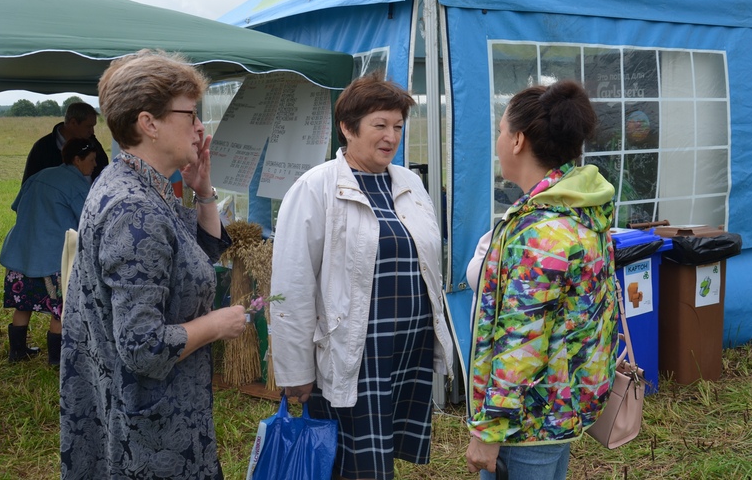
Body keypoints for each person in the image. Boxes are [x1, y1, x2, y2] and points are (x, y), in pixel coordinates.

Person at [59, 49, 247, 479]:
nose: (200, 127)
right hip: (151, 432)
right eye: (190, 114)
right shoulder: (133, 209)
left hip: (147, 412)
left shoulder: (137, 185)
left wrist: (203, 192)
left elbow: (191, 262)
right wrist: (216, 324)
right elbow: (143, 347)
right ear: (149, 123)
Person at [270, 72, 454, 480]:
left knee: (380, 455)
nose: (391, 137)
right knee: (354, 463)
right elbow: (293, 283)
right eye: (380, 125)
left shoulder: (409, 183)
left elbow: (428, 263)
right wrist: (295, 371)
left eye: (398, 127)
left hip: (405, 350)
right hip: (355, 351)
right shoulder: (315, 187)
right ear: (348, 128)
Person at [464, 80, 619, 480]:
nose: (499, 141)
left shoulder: (541, 234)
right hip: (559, 410)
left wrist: (489, 430)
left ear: (518, 140)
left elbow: (522, 341)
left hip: (526, 425)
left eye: (501, 131)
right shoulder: (580, 208)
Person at [1, 138, 97, 365]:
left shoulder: (39, 176)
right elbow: (89, 220)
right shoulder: (77, 185)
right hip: (53, 259)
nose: (95, 165)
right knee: (59, 310)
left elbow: (17, 206)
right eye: (92, 160)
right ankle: (57, 359)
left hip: (21, 253)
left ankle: (17, 352)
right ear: (77, 159)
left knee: (22, 304)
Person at [22, 101, 109, 182]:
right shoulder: (42, 148)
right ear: (73, 123)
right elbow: (29, 185)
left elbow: (104, 172)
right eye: (88, 127)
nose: (92, 131)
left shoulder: (93, 144)